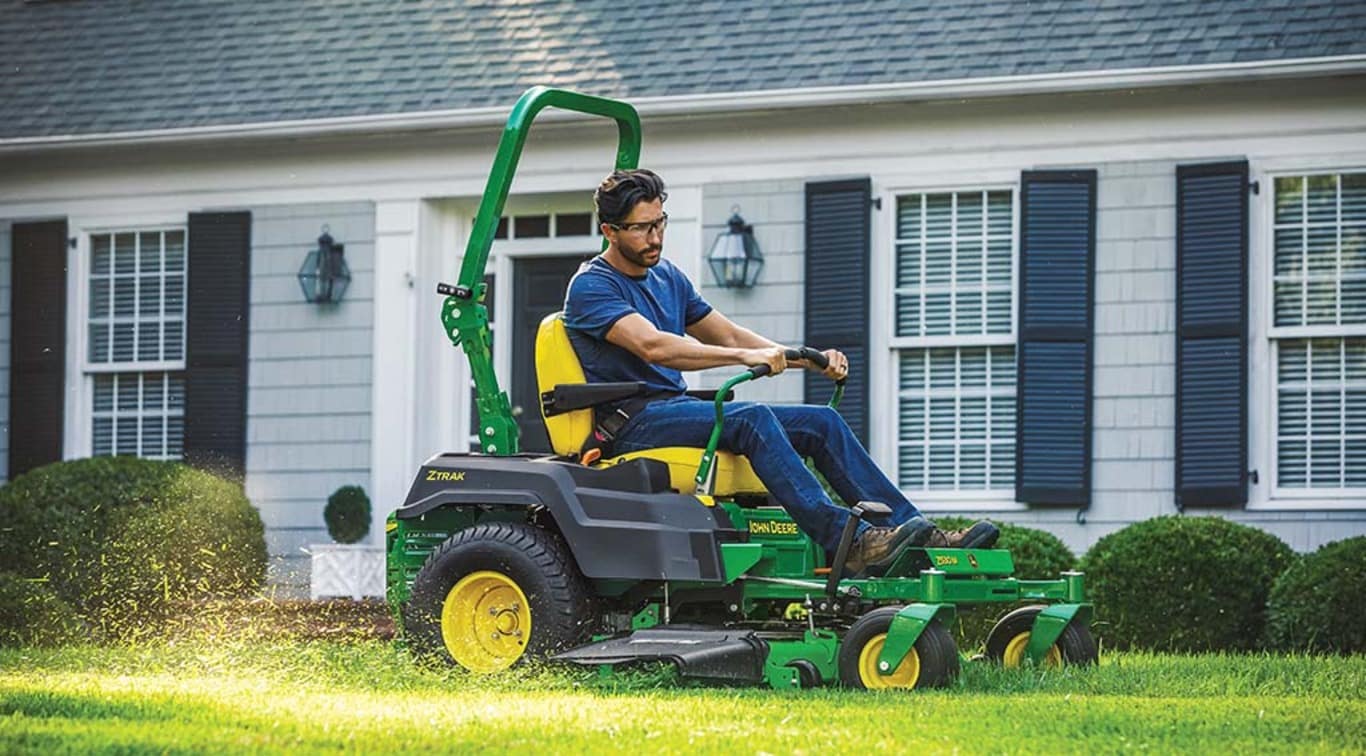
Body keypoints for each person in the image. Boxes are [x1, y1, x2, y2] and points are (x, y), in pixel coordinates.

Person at [563, 169, 998, 575]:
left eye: (660, 223)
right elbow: (654, 346)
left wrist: (804, 357)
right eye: (642, 228)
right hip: (633, 423)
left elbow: (731, 336)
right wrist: (743, 361)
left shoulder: (667, 277)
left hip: (673, 410)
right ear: (610, 231)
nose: (655, 237)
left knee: (820, 422)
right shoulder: (592, 286)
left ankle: (913, 536)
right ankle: (851, 543)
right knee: (751, 418)